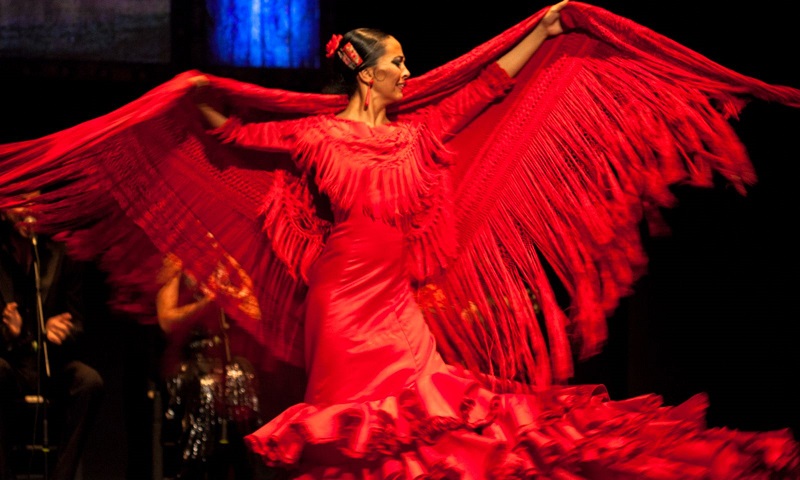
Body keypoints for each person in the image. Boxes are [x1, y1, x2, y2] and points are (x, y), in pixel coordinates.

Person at [2, 1, 800, 478]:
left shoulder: (421, 131)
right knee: (356, 428)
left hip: (398, 301)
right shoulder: (315, 136)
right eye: (400, 63)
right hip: (342, 301)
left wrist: (549, 24)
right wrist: (201, 91)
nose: (411, 73)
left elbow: (493, 83)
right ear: (368, 73)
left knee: (428, 422)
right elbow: (231, 138)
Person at [0, 193, 105, 480]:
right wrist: (8, 333)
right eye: (20, 201)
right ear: (3, 208)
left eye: (35, 202)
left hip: (49, 365)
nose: (29, 210)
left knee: (89, 381)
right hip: (10, 364)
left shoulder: (61, 254)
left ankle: (62, 475)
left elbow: (78, 324)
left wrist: (62, 331)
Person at [155, 254, 270, 479]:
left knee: (241, 376)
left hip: (228, 357)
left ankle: (243, 464)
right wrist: (206, 303)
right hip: (191, 358)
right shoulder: (176, 260)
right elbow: (166, 320)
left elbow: (255, 311)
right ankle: (196, 468)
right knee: (205, 387)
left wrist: (234, 295)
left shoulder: (230, 260)